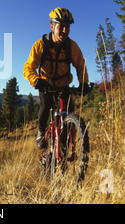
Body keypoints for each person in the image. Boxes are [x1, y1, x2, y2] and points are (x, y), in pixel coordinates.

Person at [23, 8, 89, 149]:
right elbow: (28, 68)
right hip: (45, 85)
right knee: (45, 106)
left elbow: (80, 66)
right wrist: (36, 80)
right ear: (52, 27)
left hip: (64, 85)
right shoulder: (41, 45)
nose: (65, 30)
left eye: (68, 27)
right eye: (61, 26)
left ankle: (63, 149)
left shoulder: (72, 46)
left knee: (68, 117)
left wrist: (84, 83)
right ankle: (41, 132)